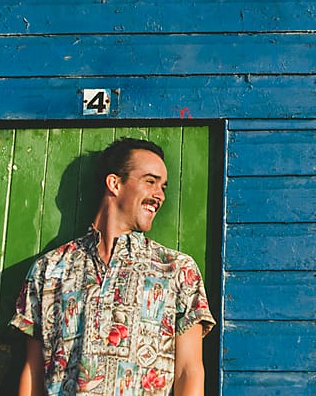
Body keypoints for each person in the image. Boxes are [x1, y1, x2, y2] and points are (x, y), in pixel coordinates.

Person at [12, 137, 215, 396]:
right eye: (150, 181)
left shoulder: (177, 271)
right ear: (114, 183)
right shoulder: (49, 269)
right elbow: (33, 371)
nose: (160, 195)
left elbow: (189, 371)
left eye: (163, 186)